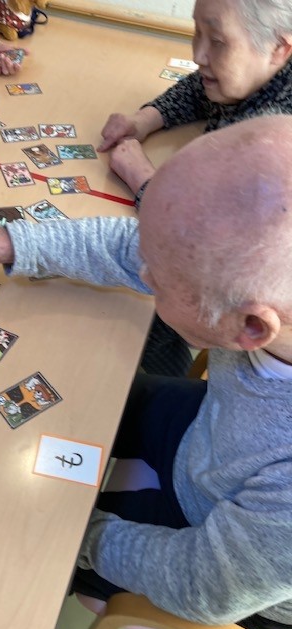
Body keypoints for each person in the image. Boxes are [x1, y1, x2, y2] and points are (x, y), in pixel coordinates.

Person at [0, 114, 292, 629]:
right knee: (67, 399)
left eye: (158, 280)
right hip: (209, 434)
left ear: (250, 327)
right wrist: (1, 243)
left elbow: (205, 586)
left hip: (214, 552)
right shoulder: (264, 290)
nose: (141, 271)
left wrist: (82, 535)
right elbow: (132, 245)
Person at [101, 0, 292, 377]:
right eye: (196, 32)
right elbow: (199, 88)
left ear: (278, 49)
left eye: (217, 41)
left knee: (141, 316)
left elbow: (198, 238)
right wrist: (143, 120)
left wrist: (141, 177)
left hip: (226, 313)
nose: (198, 55)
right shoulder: (255, 73)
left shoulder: (273, 145)